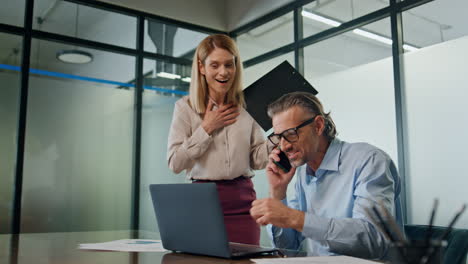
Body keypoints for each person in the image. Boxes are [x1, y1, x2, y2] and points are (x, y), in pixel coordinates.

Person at [250, 92, 403, 259]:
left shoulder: (369, 160)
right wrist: (278, 193)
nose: (284, 146)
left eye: (291, 133)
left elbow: (373, 240)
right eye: (279, 137)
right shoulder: (303, 173)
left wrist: (294, 218)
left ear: (318, 126)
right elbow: (287, 247)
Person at [167, 34, 270, 245]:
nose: (223, 72)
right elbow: (175, 163)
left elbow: (258, 160)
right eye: (214, 65)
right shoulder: (185, 108)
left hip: (243, 203)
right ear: (201, 67)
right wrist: (207, 128)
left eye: (228, 65)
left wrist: (279, 137)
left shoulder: (247, 107)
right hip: (202, 203)